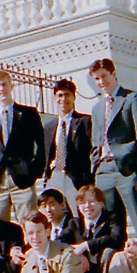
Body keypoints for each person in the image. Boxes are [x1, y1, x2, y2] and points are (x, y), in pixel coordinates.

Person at [89, 58, 137, 231]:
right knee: (110, 226)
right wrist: (95, 166)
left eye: (104, 76)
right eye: (96, 78)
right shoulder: (97, 108)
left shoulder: (132, 98)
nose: (101, 82)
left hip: (127, 169)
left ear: (113, 73)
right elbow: (96, 141)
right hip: (103, 172)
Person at [0, 70, 46, 224]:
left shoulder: (28, 114)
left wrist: (35, 170)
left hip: (22, 179)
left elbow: (42, 144)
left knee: (30, 223)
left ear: (11, 86)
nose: (1, 89)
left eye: (4, 85)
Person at [64, 185, 126, 273]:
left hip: (111, 268)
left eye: (91, 201)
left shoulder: (112, 217)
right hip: (87, 272)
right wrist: (78, 254)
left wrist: (86, 245)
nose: (87, 206)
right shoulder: (74, 223)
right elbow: (58, 242)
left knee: (108, 252)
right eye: (82, 203)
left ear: (101, 203)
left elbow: (117, 238)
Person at [43, 79, 93, 211]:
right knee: (56, 215)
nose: (63, 99)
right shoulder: (49, 127)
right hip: (55, 175)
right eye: (60, 95)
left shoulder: (85, 122)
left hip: (76, 178)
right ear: (54, 98)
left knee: (78, 214)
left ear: (74, 97)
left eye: (67, 95)